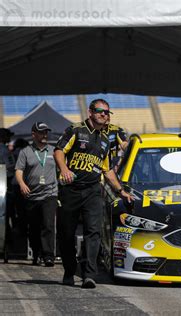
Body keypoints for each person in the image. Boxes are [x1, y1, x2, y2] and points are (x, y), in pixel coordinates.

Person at [54, 99, 133, 288]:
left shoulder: (106, 139)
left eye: (107, 112)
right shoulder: (75, 130)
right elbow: (58, 151)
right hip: (70, 190)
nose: (104, 115)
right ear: (90, 112)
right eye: (100, 111)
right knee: (66, 234)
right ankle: (69, 270)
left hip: (93, 191)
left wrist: (121, 191)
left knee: (94, 232)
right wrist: (64, 169)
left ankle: (89, 274)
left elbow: (107, 171)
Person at [15, 122, 58, 267]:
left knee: (48, 224)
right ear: (34, 134)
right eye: (41, 132)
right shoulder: (25, 152)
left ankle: (48, 256)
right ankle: (37, 252)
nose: (45, 135)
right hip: (31, 195)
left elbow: (62, 168)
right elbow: (19, 170)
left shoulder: (53, 150)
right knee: (34, 228)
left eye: (46, 132)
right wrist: (22, 184)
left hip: (50, 193)